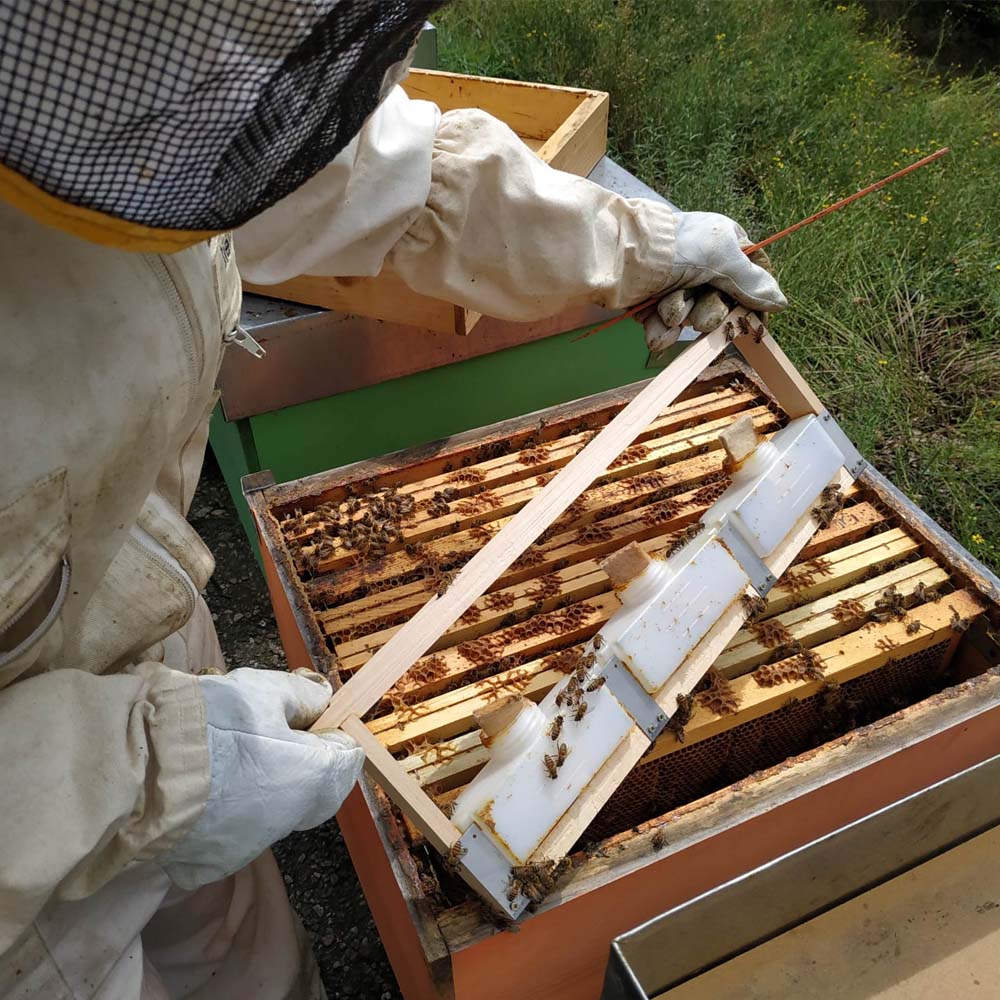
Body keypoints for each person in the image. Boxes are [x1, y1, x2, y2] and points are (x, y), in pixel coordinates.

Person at [0, 3, 785, 997]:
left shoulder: (116, 71)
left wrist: (639, 244)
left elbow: (349, 173)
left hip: (144, 640)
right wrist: (130, 775)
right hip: (29, 850)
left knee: (243, 954)